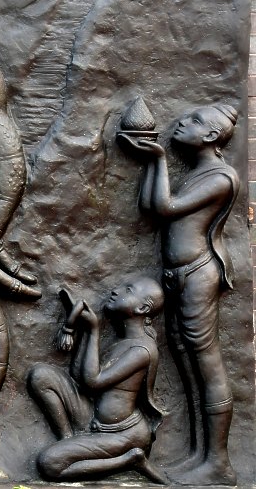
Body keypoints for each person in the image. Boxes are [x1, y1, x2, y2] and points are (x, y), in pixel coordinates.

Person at [122, 104, 239, 485]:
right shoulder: (198, 173)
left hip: (197, 274)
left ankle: (218, 463)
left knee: (207, 363)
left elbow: (166, 206)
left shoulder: (220, 177)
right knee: (187, 362)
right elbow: (151, 206)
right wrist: (152, 163)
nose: (183, 122)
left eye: (195, 121)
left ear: (211, 136)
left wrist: (157, 158)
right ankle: (199, 453)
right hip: (179, 276)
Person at [27, 276, 166, 483]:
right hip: (94, 419)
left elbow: (94, 381)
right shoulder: (122, 341)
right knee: (41, 376)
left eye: (128, 290)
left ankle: (129, 460)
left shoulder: (142, 350)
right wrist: (86, 331)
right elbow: (80, 377)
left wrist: (94, 331)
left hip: (123, 434)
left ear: (142, 308)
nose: (116, 290)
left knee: (50, 464)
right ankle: (68, 440)